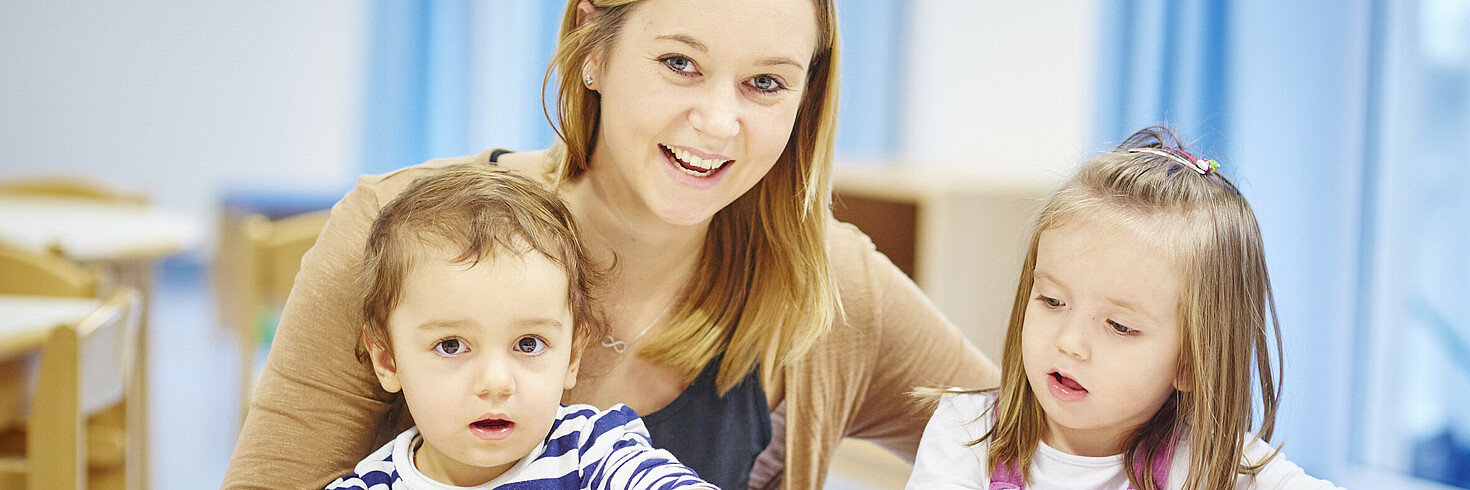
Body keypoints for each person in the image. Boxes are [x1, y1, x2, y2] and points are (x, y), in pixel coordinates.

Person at [223, 0, 997, 488]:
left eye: (766, 83)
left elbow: (1031, 441)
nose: (719, 122)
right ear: (593, 45)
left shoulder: (831, 286)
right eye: (679, 63)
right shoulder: (388, 232)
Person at [905, 127, 1343, 489]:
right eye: (1052, 301)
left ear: (1191, 361)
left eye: (1118, 326)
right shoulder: (966, 433)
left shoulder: (1216, 465)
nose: (1070, 342)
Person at [323, 164, 716, 489]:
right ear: (388, 360)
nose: (495, 382)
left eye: (529, 344)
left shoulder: (594, 450)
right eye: (451, 346)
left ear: (572, 356)